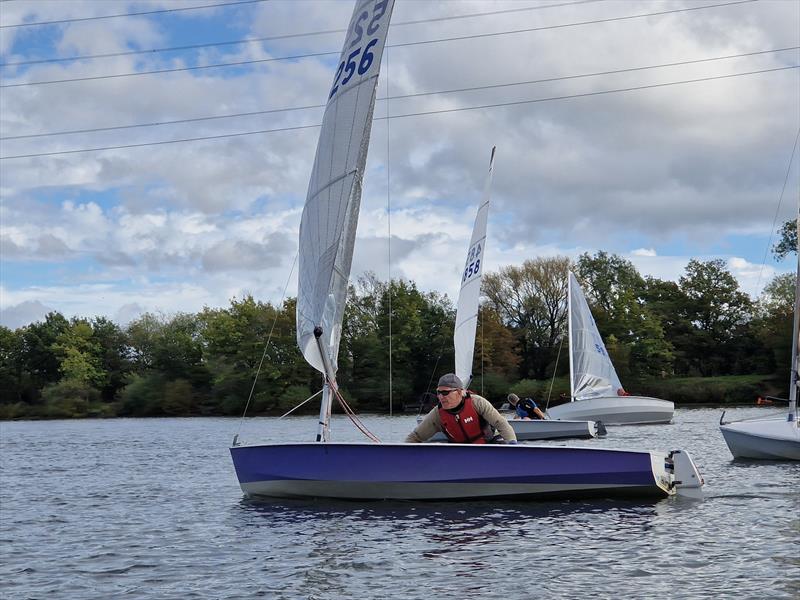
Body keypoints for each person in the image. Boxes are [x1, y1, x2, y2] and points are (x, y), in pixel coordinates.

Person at [405, 373, 517, 444]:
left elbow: (501, 423)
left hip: (488, 444)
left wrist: (512, 444)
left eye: (445, 393)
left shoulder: (477, 402)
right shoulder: (437, 414)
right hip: (460, 451)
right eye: (438, 392)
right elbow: (415, 437)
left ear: (458, 392)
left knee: (502, 443)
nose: (440, 397)